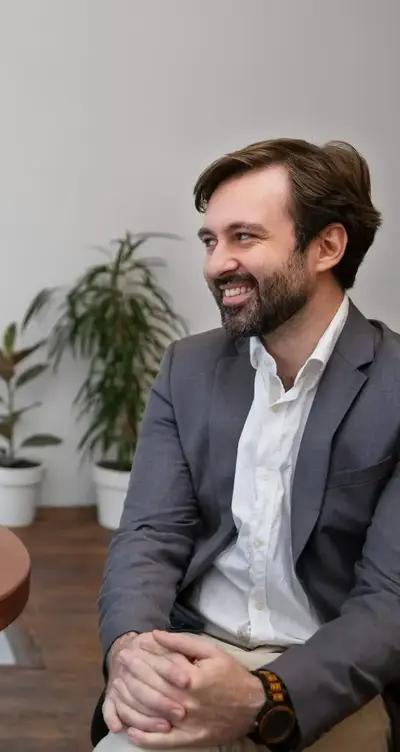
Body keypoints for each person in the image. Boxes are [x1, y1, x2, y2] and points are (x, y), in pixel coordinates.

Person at [91, 138, 399, 751]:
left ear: (327, 246)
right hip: (191, 656)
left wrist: (267, 696)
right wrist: (131, 650)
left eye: (244, 238)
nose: (215, 264)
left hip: (328, 681)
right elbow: (151, 533)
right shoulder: (188, 368)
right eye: (211, 241)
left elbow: (389, 601)